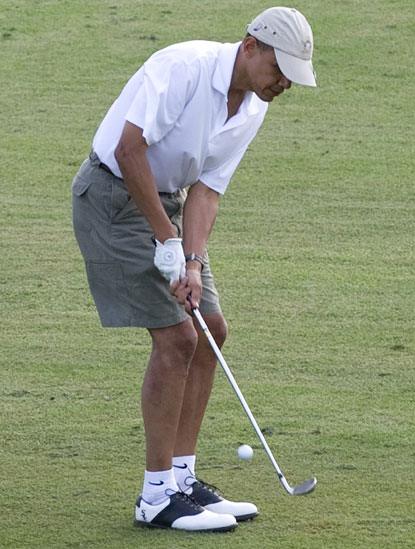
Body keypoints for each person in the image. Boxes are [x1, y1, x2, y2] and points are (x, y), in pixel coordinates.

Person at [71, 7, 317, 533]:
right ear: (251, 47)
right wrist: (166, 239)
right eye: (281, 71)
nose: (284, 85)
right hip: (113, 200)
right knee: (178, 339)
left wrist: (193, 260)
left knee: (212, 331)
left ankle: (183, 480)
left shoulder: (253, 105)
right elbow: (128, 149)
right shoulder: (182, 66)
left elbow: (207, 190)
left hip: (169, 206)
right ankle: (155, 497)